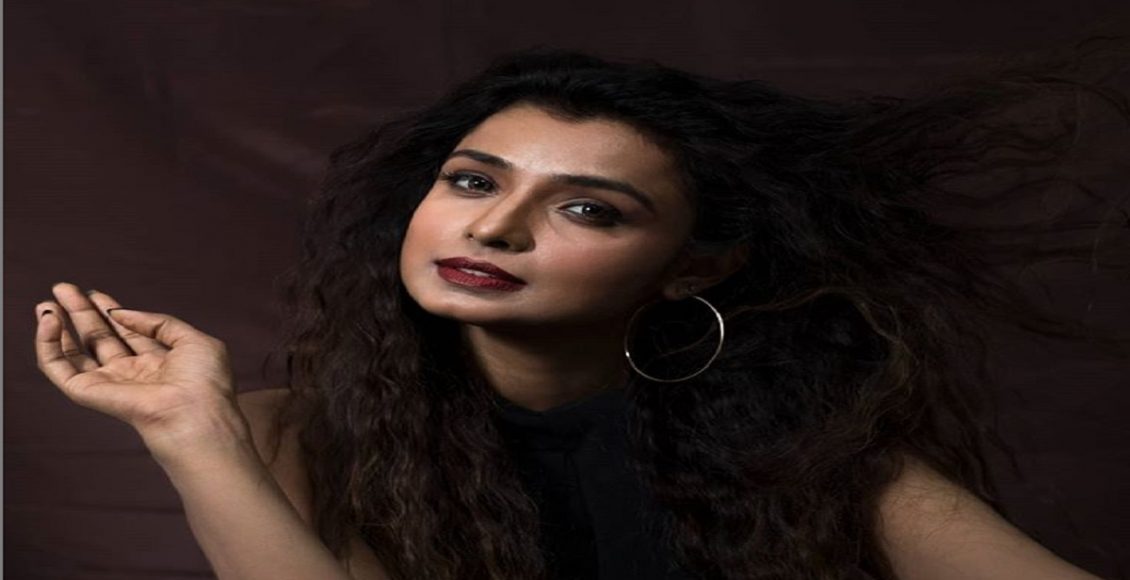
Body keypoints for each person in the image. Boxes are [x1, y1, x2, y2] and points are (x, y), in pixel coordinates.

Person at [33, 44, 1128, 580]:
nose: (494, 228)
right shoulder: (282, 435)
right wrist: (192, 432)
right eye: (472, 180)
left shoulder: (813, 454)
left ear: (691, 269)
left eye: (587, 208)